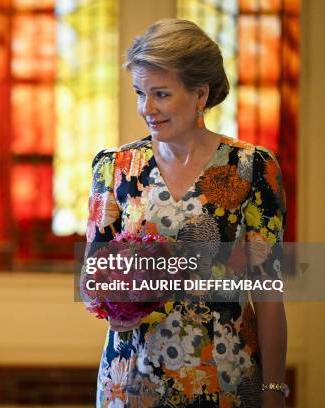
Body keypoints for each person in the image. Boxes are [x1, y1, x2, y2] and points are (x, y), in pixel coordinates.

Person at [85, 19, 287, 407]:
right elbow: (92, 276)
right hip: (130, 381)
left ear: (200, 94)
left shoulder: (253, 168)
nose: (147, 108)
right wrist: (116, 305)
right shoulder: (114, 167)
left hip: (225, 375)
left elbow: (270, 294)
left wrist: (273, 389)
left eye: (161, 94)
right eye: (140, 93)